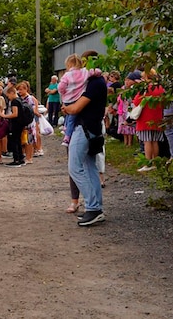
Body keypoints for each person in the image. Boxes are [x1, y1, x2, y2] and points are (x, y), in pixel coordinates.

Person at [62, 51, 107, 226]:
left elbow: (75, 108)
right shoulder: (98, 81)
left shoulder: (94, 83)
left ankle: (93, 207)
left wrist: (66, 108)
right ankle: (96, 208)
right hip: (93, 128)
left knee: (74, 168)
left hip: (85, 128)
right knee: (90, 169)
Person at [58, 54, 102, 147]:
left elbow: (61, 87)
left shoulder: (67, 75)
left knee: (70, 116)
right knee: (71, 118)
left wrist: (63, 92)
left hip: (68, 98)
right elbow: (95, 72)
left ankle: (67, 136)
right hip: (78, 98)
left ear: (69, 65)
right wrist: (99, 72)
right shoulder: (85, 72)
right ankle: (66, 129)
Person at [134, 69, 166, 172]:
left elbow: (136, 101)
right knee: (155, 141)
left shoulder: (145, 89)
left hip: (145, 118)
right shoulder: (160, 88)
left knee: (147, 141)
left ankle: (148, 163)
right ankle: (155, 162)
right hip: (157, 118)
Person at [0, 85, 26, 167]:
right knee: (18, 141)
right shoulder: (20, 100)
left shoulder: (15, 101)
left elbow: (15, 114)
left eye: (8, 95)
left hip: (16, 124)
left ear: (12, 93)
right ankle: (21, 158)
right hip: (21, 123)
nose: (8, 97)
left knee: (14, 141)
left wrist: (5, 116)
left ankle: (16, 159)